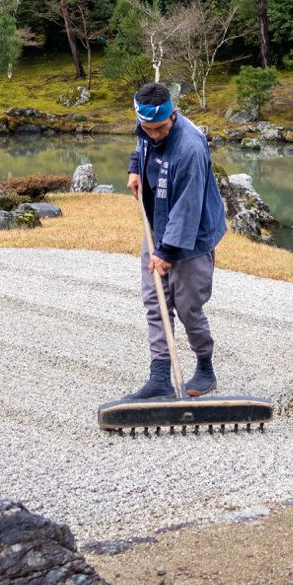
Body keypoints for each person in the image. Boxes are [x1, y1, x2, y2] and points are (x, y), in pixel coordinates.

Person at [119, 81, 228, 400]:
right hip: (157, 225)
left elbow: (188, 208)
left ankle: (205, 368)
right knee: (155, 303)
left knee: (187, 306)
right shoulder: (147, 123)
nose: (154, 135)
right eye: (148, 128)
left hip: (191, 237)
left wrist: (166, 252)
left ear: (174, 115)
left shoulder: (189, 148)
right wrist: (135, 167)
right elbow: (141, 144)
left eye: (160, 129)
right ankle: (160, 378)